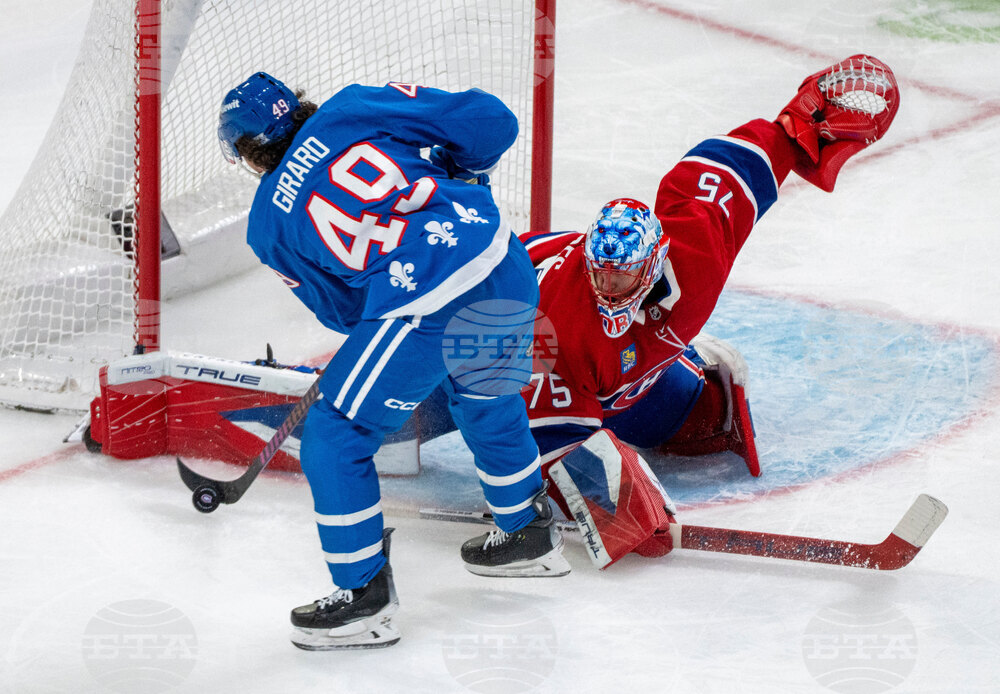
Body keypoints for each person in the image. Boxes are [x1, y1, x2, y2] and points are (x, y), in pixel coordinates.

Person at [415, 54, 900, 566]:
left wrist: (794, 127)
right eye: (597, 270)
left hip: (625, 377)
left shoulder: (694, 253)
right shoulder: (556, 327)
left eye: (619, 275)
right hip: (481, 329)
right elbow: (551, 442)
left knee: (705, 425)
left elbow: (725, 174)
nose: (606, 285)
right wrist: (616, 510)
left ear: (652, 266)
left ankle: (679, 373)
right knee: (407, 416)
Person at [216, 74, 570, 651]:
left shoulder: (267, 225)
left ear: (251, 154)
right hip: (500, 261)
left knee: (336, 435)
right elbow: (493, 122)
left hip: (420, 304)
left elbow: (344, 313)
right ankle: (526, 535)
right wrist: (463, 173)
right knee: (484, 394)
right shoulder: (354, 106)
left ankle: (362, 600)